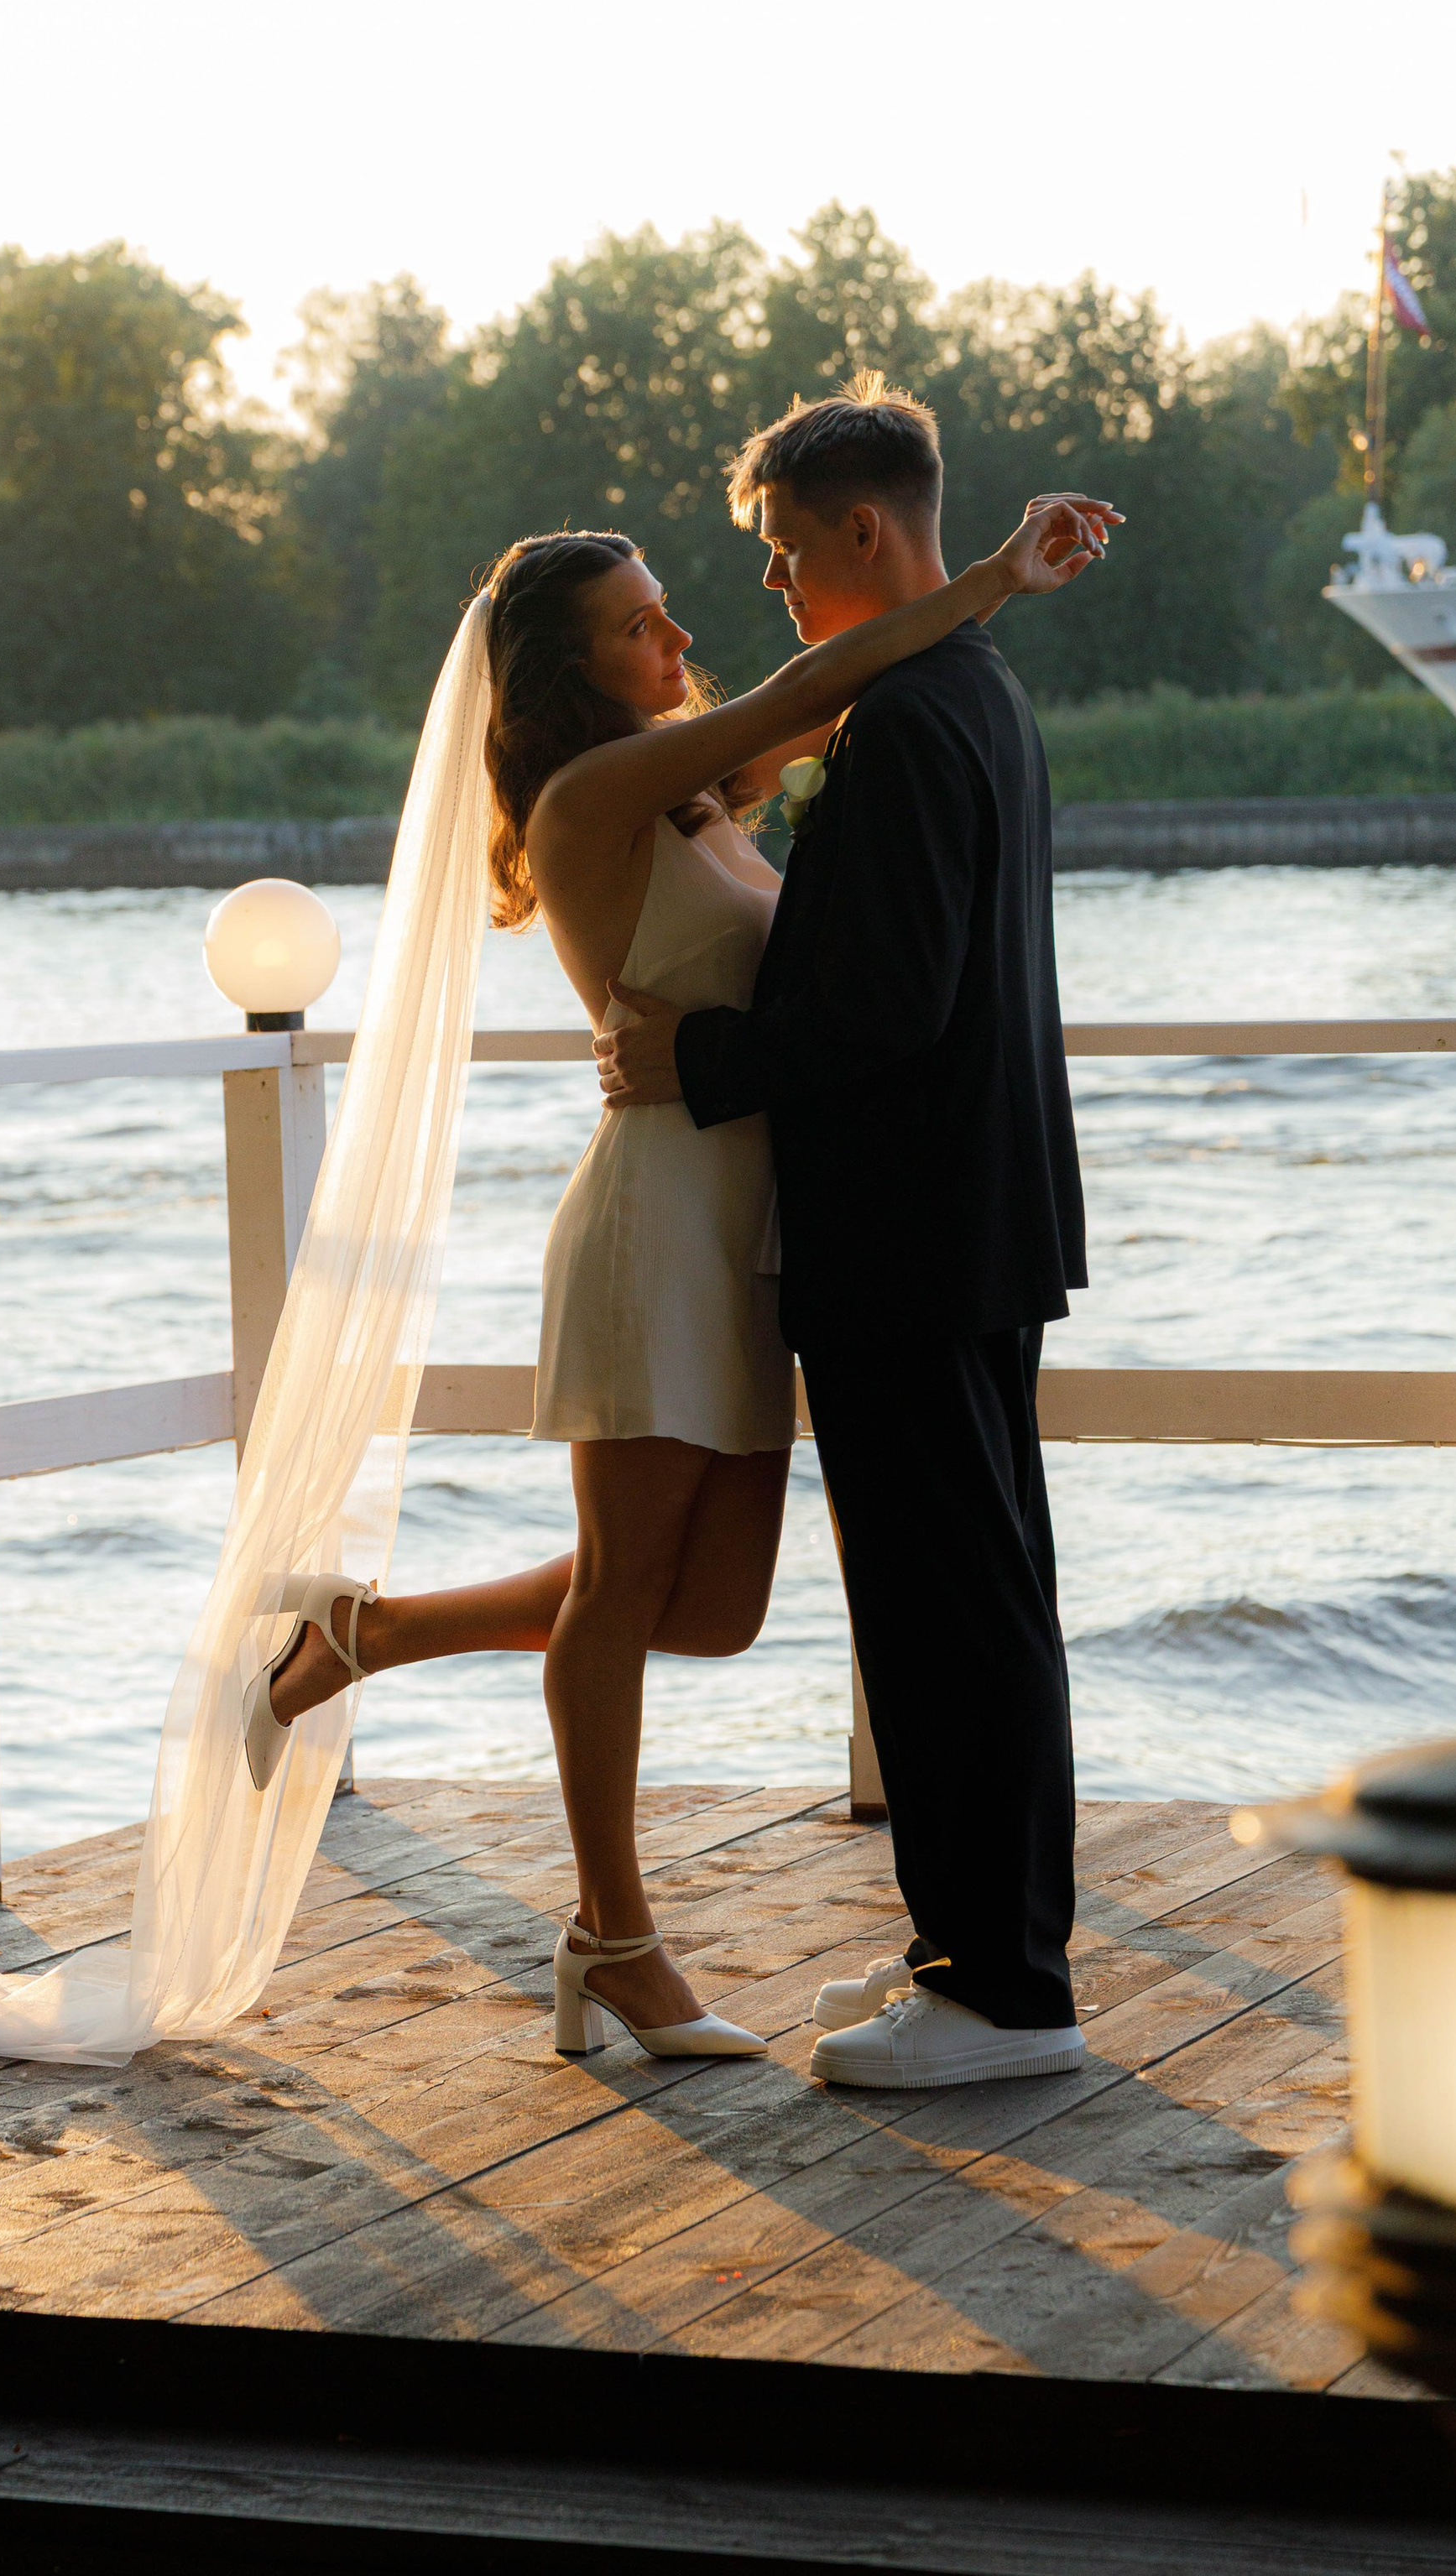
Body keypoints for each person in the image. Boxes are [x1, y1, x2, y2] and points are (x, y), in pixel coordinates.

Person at [253, 444, 1114, 2062]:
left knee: (705, 1606)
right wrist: (993, 578)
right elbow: (832, 669)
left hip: (768, 1230)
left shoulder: (711, 789)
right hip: (660, 1223)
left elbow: (857, 689)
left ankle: (375, 1632)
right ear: (567, 675)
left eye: (668, 617)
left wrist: (982, 602)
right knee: (637, 1589)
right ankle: (616, 1939)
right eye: (639, 628)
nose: (678, 642)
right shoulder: (598, 796)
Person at [599, 371, 1098, 2088]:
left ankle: (995, 1993)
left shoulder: (904, 722)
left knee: (943, 1603)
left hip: (910, 1223)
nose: (768, 586)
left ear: (860, 533)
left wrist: (700, 1053)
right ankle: (985, 1957)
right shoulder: (972, 692)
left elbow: (887, 1002)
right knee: (979, 1587)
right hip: (977, 1213)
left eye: (777, 549)